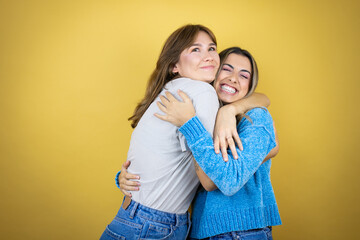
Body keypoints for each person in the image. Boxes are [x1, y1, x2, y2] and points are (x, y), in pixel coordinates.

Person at [100, 24, 271, 240]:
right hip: (177, 225)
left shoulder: (252, 116)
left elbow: (220, 179)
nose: (234, 78)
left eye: (211, 49)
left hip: (239, 232)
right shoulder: (200, 96)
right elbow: (179, 165)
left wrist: (231, 110)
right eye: (227, 69)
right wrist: (124, 178)